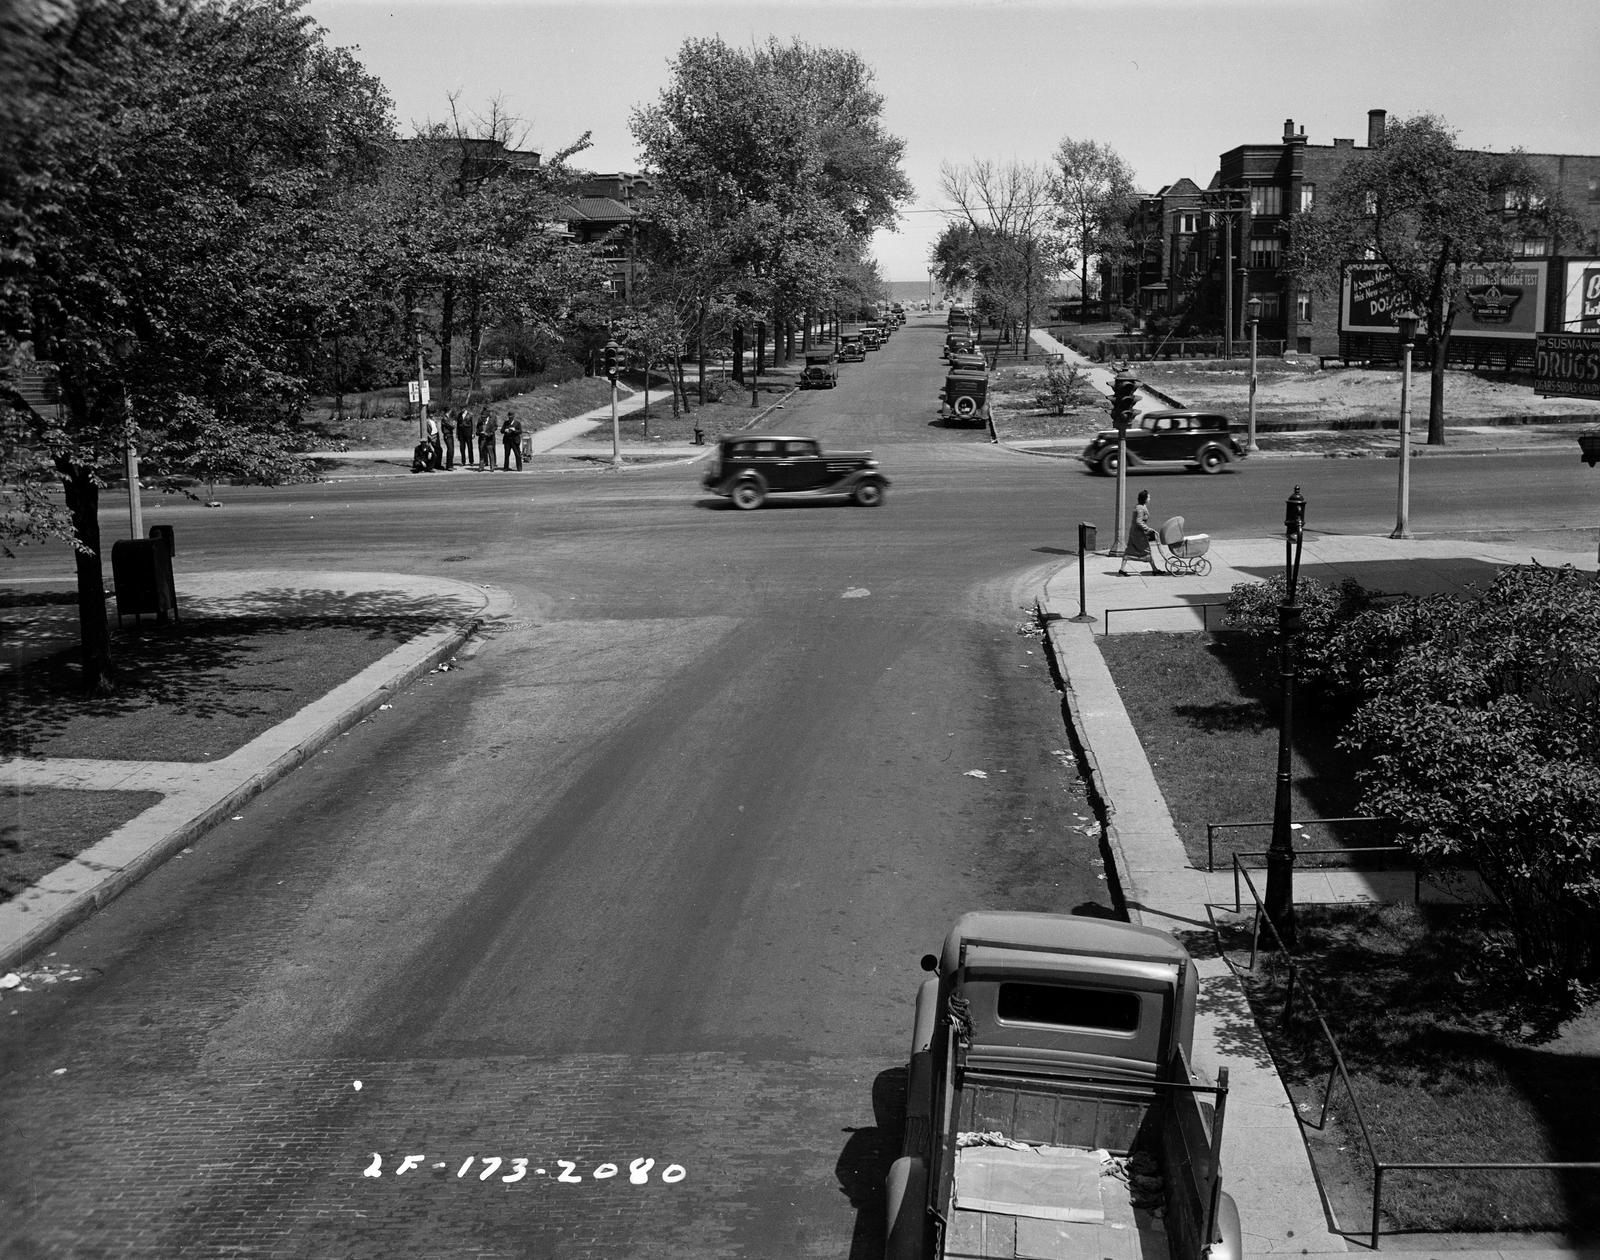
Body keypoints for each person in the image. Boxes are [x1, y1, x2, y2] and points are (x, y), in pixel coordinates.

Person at [1118, 489, 1164, 576]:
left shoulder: (1140, 506)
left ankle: (1122, 569)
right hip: (1138, 534)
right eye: (1148, 497)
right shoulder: (1140, 508)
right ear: (1145, 499)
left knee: (1130, 549)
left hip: (1135, 532)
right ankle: (1154, 570)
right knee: (1146, 550)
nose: (1150, 499)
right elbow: (1139, 521)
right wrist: (1148, 529)